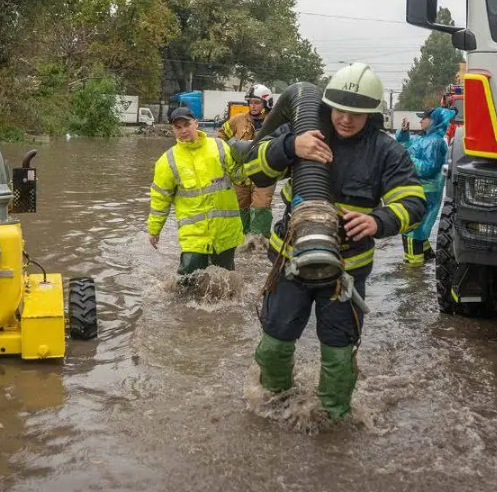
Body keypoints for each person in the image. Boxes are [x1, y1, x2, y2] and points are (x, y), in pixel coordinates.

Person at [238, 64, 426, 419]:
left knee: (339, 353)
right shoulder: (304, 131)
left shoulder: (386, 151)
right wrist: (291, 145)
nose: (346, 119)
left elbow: (414, 201)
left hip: (346, 273)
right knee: (276, 340)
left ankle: (333, 418)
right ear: (326, 104)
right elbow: (252, 169)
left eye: (357, 113)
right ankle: (273, 404)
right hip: (290, 264)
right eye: (340, 109)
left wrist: (378, 220)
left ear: (372, 114)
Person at [148, 107, 244, 276]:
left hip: (225, 231)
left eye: (187, 124)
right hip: (194, 236)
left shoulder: (219, 146)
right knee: (186, 283)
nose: (183, 130)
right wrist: (154, 230)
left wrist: (255, 161)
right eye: (178, 127)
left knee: (225, 282)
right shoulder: (167, 161)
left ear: (196, 124)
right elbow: (160, 200)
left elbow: (239, 176)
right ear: (173, 130)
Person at [396, 107, 455, 266]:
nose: (421, 121)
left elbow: (428, 168)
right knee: (419, 228)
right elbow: (405, 144)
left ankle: (413, 274)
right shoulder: (426, 138)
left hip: (424, 191)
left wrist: (408, 159)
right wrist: (403, 132)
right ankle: (427, 260)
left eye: (424, 118)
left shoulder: (434, 142)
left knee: (410, 230)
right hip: (419, 189)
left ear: (434, 121)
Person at [218, 84, 276, 240]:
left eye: (257, 103)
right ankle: (240, 242)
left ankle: (259, 245)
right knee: (239, 210)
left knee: (261, 208)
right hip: (240, 177)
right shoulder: (237, 120)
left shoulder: (275, 123)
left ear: (266, 104)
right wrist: (226, 155)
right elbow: (221, 137)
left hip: (264, 177)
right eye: (250, 102)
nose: (253, 106)